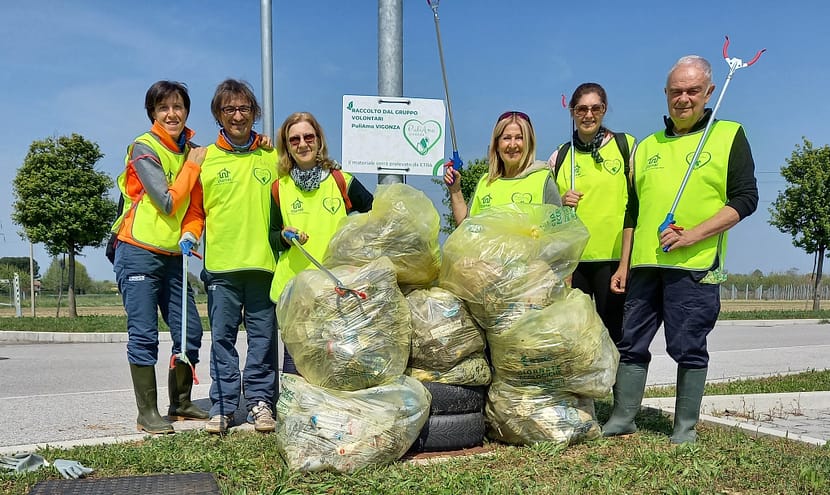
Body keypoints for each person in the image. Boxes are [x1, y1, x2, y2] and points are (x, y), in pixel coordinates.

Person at [603, 55, 758, 443]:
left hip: (695, 265)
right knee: (630, 343)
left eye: (692, 91)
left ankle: (684, 427)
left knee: (688, 346)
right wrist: (623, 264)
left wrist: (693, 235)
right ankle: (622, 418)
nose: (683, 99)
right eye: (676, 91)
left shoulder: (729, 135)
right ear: (666, 94)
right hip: (644, 264)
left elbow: (745, 199)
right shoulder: (647, 146)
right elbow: (633, 210)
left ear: (708, 92)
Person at [112, 80, 208, 434]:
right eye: (163, 107)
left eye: (178, 106)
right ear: (153, 112)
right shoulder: (144, 147)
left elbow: (194, 208)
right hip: (137, 251)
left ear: (186, 111)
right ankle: (146, 414)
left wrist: (190, 233)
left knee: (190, 331)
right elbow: (167, 201)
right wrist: (192, 167)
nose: (172, 113)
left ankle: (180, 403)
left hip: (173, 256)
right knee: (144, 334)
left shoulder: (193, 151)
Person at [184, 79, 279, 435]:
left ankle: (259, 403)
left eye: (244, 109)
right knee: (222, 340)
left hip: (263, 267)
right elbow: (196, 211)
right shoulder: (205, 159)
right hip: (221, 268)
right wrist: (190, 233)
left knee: (263, 341)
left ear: (255, 114)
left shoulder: (272, 156)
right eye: (230, 110)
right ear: (218, 115)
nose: (238, 116)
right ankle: (223, 406)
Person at [268, 112, 374, 374]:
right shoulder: (278, 187)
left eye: (308, 137)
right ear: (287, 146)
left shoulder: (341, 181)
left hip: (333, 289)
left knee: (332, 362)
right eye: (294, 140)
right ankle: (295, 414)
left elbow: (374, 214)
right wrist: (284, 236)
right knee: (295, 364)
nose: (302, 144)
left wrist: (354, 239)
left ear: (319, 140)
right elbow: (272, 236)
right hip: (295, 291)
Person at [547, 83, 636, 344]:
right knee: (578, 337)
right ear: (572, 112)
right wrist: (561, 202)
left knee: (614, 337)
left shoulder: (626, 147)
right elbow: (548, 216)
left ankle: (615, 386)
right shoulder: (559, 157)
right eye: (581, 109)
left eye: (595, 108)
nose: (588, 115)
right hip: (575, 264)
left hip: (612, 261)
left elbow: (636, 205)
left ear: (604, 110)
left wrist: (625, 264)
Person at [445, 111, 561, 227]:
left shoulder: (543, 180)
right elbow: (465, 227)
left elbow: (558, 232)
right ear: (497, 144)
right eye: (506, 138)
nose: (512, 145)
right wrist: (455, 190)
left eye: (519, 138)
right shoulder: (485, 182)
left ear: (529, 143)